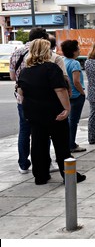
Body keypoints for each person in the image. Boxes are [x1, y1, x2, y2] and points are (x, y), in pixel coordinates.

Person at [17, 39, 86, 185]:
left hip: (34, 113)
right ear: (45, 51)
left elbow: (20, 91)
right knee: (61, 144)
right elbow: (60, 89)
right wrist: (67, 108)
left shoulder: (25, 71)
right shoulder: (51, 68)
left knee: (38, 144)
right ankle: (68, 174)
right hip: (54, 112)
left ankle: (40, 176)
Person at [9, 27, 59, 174]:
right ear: (43, 39)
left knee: (24, 130)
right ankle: (47, 162)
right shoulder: (44, 52)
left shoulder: (17, 52)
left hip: (22, 98)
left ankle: (23, 164)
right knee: (44, 130)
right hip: (43, 97)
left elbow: (13, 77)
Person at [61, 39, 87, 153]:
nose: (79, 50)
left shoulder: (62, 61)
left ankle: (67, 142)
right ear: (74, 51)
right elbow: (76, 81)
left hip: (66, 95)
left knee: (67, 121)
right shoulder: (75, 63)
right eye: (78, 48)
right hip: (76, 95)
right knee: (73, 121)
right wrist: (82, 92)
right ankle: (71, 144)